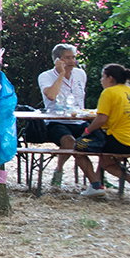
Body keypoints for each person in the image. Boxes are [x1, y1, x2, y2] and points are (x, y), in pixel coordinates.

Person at [82, 63, 130, 198]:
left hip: (121, 140)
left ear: (110, 78)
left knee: (81, 149)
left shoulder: (109, 92)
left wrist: (87, 131)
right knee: (105, 155)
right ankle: (97, 186)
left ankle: (98, 185)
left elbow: (101, 119)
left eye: (103, 77)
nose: (101, 80)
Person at [39, 44, 94, 188]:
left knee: (103, 138)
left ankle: (98, 178)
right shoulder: (46, 76)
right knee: (69, 142)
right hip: (56, 121)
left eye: (73, 57)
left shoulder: (80, 74)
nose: (72, 61)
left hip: (80, 120)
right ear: (57, 60)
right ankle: (59, 170)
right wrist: (61, 74)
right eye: (67, 58)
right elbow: (51, 95)